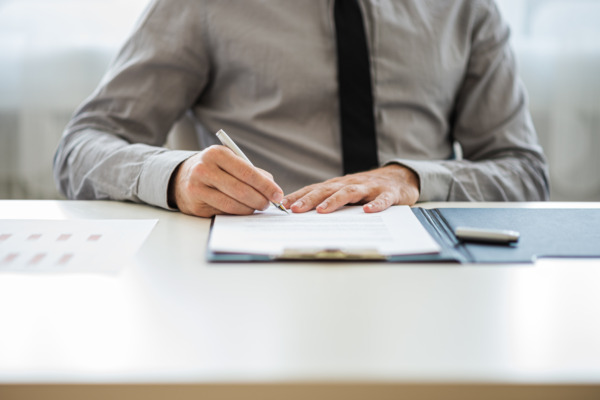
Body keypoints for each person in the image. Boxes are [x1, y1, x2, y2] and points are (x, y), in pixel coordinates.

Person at [53, 0, 549, 218]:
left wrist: (412, 179)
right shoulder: (201, 3)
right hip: (251, 271)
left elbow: (524, 171)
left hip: (433, 265)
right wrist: (177, 176)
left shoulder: (469, 7)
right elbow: (83, 146)